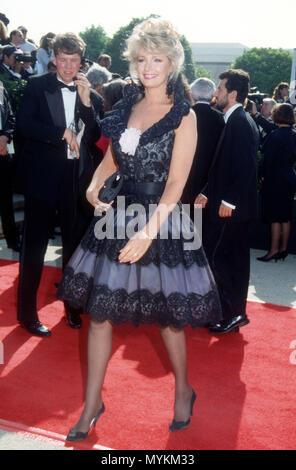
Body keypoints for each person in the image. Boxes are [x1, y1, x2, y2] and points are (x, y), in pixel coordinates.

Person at [57, 18, 222, 440]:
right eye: (142, 58)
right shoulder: (125, 106)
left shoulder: (184, 115)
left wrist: (147, 231)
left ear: (172, 63)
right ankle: (92, 404)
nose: (148, 66)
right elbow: (115, 155)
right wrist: (95, 182)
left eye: (157, 58)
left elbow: (176, 183)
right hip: (118, 215)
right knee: (99, 315)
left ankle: (184, 390)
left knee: (169, 318)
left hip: (160, 221)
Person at [16, 32, 101, 337]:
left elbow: (95, 135)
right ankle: (27, 314)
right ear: (53, 59)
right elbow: (24, 124)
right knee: (34, 248)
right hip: (41, 179)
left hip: (75, 181)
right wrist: (58, 133)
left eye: (73, 60)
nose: (68, 66)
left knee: (74, 248)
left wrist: (87, 102)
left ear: (82, 61)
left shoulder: (89, 92)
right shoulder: (37, 87)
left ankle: (73, 307)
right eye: (62, 60)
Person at [196, 69, 259, 335]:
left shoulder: (240, 123)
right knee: (227, 259)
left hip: (231, 208)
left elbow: (245, 168)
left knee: (223, 261)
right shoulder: (234, 120)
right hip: (224, 202)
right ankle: (229, 313)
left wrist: (229, 202)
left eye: (220, 89)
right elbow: (224, 166)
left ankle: (231, 314)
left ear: (232, 93)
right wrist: (208, 192)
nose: (216, 93)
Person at [257, 103, 296, 262]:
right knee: (285, 217)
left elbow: (267, 160)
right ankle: (283, 249)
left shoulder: (275, 135)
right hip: (289, 177)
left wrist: (262, 175)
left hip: (275, 179)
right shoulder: (294, 135)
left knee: (274, 216)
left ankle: (273, 250)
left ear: (277, 115)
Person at [182, 77, 225, 209]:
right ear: (212, 94)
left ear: (192, 93)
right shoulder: (220, 118)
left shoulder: (183, 116)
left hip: (185, 177)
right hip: (209, 181)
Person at [0, 81, 20, 251]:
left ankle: (12, 240)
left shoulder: (1, 87)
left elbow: (10, 117)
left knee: (5, 200)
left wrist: (5, 136)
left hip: (2, 151)